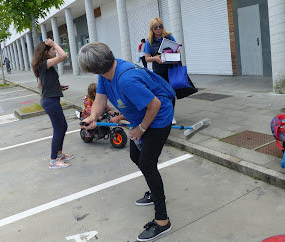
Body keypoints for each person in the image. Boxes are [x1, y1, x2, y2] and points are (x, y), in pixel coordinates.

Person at [78, 42, 174, 242]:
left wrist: (141, 129)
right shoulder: (106, 74)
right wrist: (93, 117)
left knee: (147, 164)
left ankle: (162, 221)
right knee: (136, 155)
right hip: (144, 117)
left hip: (158, 117)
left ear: (95, 68)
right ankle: (155, 192)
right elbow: (100, 100)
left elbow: (154, 105)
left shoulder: (126, 79)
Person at [31, 38, 73, 170]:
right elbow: (64, 56)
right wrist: (54, 43)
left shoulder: (43, 66)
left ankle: (59, 154)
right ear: (47, 52)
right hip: (50, 101)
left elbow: (40, 85)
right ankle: (53, 161)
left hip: (50, 99)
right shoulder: (45, 63)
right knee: (59, 129)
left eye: (54, 48)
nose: (55, 51)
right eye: (53, 49)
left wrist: (57, 86)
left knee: (63, 126)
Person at [144, 17, 177, 124]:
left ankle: (171, 115)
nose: (158, 29)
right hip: (158, 71)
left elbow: (177, 50)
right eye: (155, 27)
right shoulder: (149, 41)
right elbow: (147, 58)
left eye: (160, 26)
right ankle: (165, 114)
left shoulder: (169, 37)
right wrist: (156, 58)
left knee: (171, 93)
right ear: (152, 29)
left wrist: (174, 57)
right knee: (162, 93)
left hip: (171, 69)